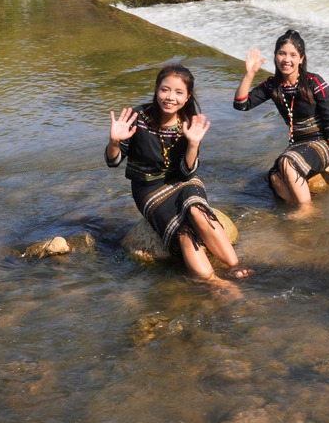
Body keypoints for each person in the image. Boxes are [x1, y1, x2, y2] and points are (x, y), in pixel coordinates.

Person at [106, 65, 252, 284]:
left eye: (178, 92)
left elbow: (186, 172)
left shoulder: (189, 123)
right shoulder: (137, 118)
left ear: (187, 97)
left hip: (183, 182)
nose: (170, 97)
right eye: (165, 90)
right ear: (156, 89)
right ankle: (215, 284)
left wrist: (193, 144)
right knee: (184, 231)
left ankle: (235, 267)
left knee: (197, 212)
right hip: (148, 188)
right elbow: (113, 161)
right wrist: (114, 142)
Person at [234, 30, 329, 207]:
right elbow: (241, 104)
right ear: (275, 56)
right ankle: (296, 208)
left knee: (287, 162)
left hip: (322, 144)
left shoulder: (314, 82)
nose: (286, 60)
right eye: (282, 53)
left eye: (293, 55)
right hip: (297, 145)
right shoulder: (273, 85)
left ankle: (306, 211)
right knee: (274, 176)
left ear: (301, 59)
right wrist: (249, 74)